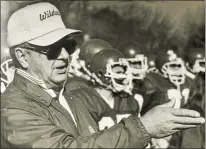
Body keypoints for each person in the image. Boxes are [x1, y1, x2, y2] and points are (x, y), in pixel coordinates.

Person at [1, 2, 205, 148]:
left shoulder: (73, 92)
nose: (64, 56)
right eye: (52, 49)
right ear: (23, 56)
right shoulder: (12, 110)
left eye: (68, 45)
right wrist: (144, 128)